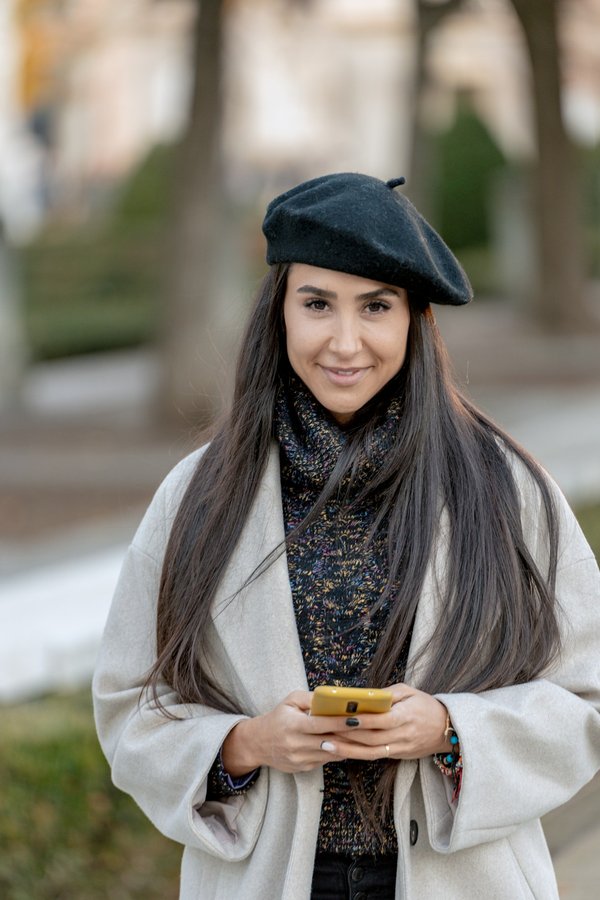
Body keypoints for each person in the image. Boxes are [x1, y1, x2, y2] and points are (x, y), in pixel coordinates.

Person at [93, 173, 600, 900]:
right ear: (280, 315)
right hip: (262, 877)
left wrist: (452, 730)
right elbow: (130, 703)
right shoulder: (198, 492)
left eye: (376, 307)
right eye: (317, 304)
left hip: (466, 879)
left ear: (414, 320)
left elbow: (586, 693)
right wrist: (244, 745)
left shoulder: (504, 483)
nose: (345, 341)